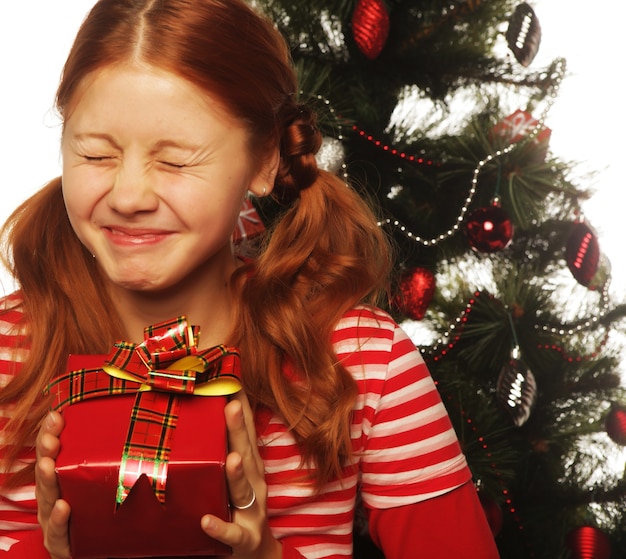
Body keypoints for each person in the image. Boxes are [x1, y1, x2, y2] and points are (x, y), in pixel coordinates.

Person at [0, 0, 500, 557]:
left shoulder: (365, 364)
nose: (128, 196)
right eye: (96, 154)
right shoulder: (5, 356)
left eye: (176, 161)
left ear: (263, 161)